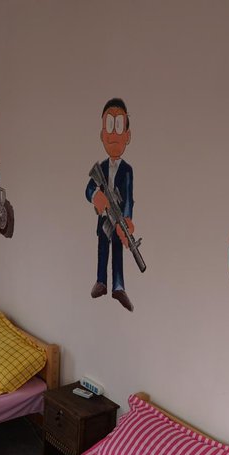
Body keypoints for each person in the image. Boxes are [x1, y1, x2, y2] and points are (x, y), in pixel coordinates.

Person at [85, 98, 135, 312]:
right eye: (110, 125)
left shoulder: (127, 170)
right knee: (102, 249)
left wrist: (127, 219)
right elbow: (89, 188)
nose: (114, 134)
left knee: (118, 252)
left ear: (127, 136)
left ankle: (118, 286)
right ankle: (101, 282)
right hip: (104, 218)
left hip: (119, 219)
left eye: (119, 126)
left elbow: (129, 197)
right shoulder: (102, 168)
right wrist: (96, 195)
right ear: (102, 134)